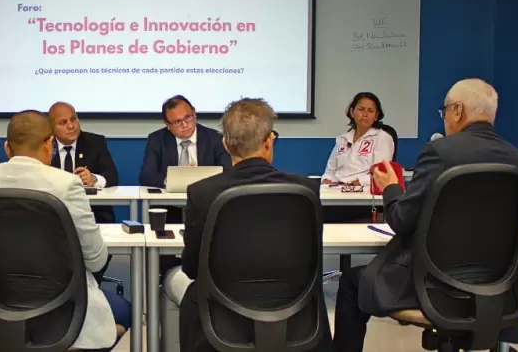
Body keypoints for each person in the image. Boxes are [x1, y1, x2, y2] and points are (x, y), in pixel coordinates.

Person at [332, 79, 518, 352]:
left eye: (444, 112)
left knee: (351, 283)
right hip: (497, 288)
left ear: (457, 111)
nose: (444, 118)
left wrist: (390, 187)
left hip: (435, 285)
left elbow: (401, 220)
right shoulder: (517, 158)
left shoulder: (440, 153)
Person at [173, 98, 333, 352]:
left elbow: (192, 268)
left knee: (187, 292)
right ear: (270, 141)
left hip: (221, 321)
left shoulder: (202, 193)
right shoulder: (306, 189)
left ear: (225, 144)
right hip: (297, 316)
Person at [0, 110, 131, 351]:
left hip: (2, 305)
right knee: (124, 309)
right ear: (50, 144)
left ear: (7, 148)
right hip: (63, 308)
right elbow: (96, 260)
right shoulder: (66, 184)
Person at [139, 95, 232, 189]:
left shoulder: (216, 139)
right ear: (167, 125)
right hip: (169, 197)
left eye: (187, 117)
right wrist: (174, 180)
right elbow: (146, 176)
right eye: (177, 122)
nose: (184, 125)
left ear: (194, 113)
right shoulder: (156, 140)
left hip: (205, 195)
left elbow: (228, 173)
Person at [48, 101, 119, 223]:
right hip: (54, 214)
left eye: (73, 119)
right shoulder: (45, 146)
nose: (71, 126)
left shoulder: (95, 142)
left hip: (92, 212)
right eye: (63, 122)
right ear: (51, 128)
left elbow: (112, 176)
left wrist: (93, 179)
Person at [321, 92, 395, 187]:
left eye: (370, 111)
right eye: (361, 109)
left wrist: (355, 183)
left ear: (376, 116)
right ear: (352, 112)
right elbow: (330, 171)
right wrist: (327, 180)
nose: (365, 114)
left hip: (364, 190)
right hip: (337, 188)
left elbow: (381, 173)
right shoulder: (343, 139)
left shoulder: (382, 137)